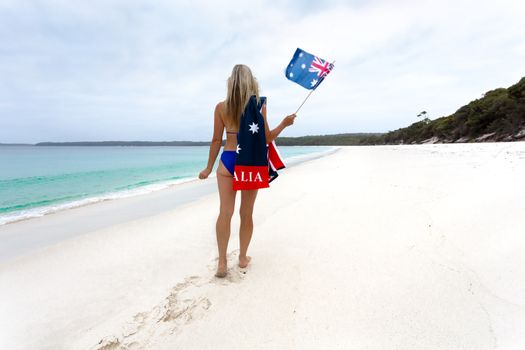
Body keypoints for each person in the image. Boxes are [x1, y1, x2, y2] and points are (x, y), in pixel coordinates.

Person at [198, 64, 296, 278]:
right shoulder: (259, 106)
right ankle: (242, 258)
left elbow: (216, 140)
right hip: (250, 162)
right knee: (246, 213)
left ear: (231, 83)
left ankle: (222, 262)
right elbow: (267, 138)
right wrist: (285, 124)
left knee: (225, 212)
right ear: (251, 82)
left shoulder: (221, 107)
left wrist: (208, 167)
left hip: (228, 161)